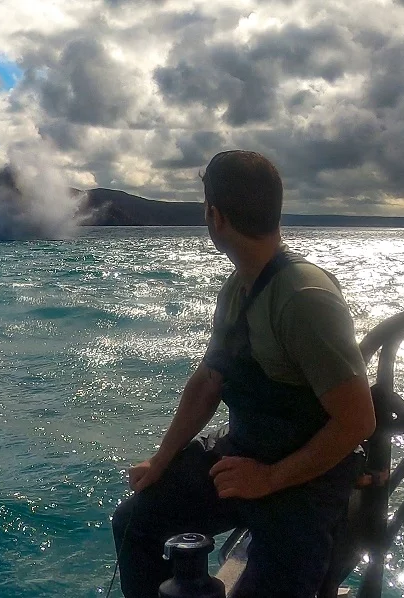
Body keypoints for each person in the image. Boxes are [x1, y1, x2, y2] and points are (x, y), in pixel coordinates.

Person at [112, 150, 376, 598]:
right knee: (135, 520)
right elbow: (208, 381)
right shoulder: (238, 288)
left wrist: (270, 479)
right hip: (243, 457)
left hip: (303, 484)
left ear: (215, 216)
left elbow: (357, 421)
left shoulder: (304, 298)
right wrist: (161, 460)